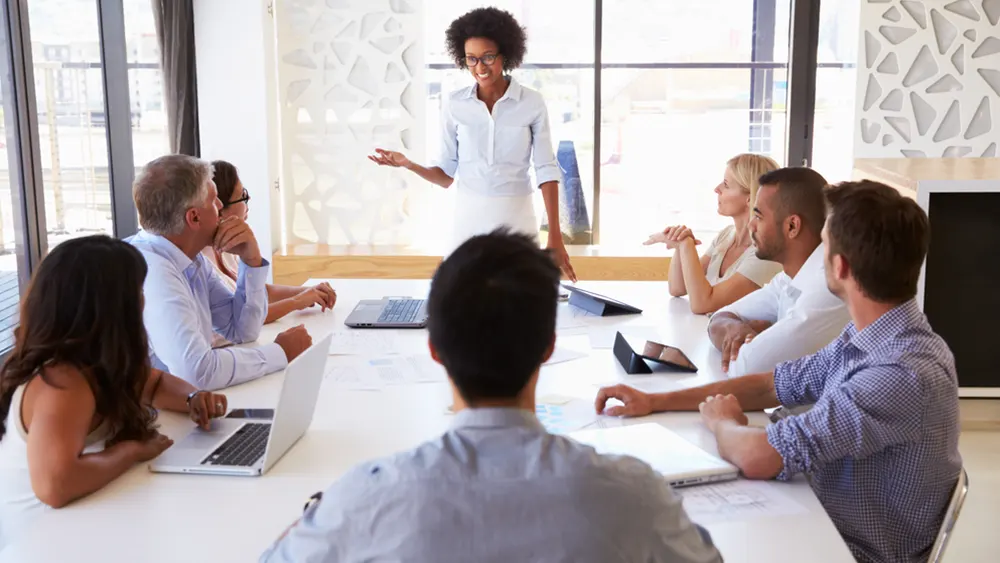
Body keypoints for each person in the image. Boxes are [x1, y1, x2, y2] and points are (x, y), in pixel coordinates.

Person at [260, 229, 721, 563]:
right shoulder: (633, 494)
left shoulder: (367, 498)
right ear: (547, 347)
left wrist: (325, 514)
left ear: (435, 350)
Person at [595, 181, 962, 563]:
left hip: (847, 549)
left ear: (840, 266)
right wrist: (655, 401)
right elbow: (773, 384)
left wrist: (724, 423)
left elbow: (760, 456)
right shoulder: (874, 335)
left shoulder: (899, 373)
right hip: (820, 515)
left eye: (824, 245)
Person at [0, 236, 228, 545]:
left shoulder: (96, 363)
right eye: (137, 291)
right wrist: (130, 451)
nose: (143, 301)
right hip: (42, 543)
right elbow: (55, 486)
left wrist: (192, 398)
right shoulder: (63, 383)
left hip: (81, 526)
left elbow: (154, 384)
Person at [368, 7, 577, 282]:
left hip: (517, 212)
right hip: (469, 214)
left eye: (488, 57)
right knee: (461, 292)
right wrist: (408, 164)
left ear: (505, 55)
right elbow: (445, 177)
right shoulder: (455, 104)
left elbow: (546, 170)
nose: (480, 67)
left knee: (517, 294)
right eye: (472, 59)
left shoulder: (532, 103)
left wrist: (555, 236)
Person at [129, 155, 313, 390]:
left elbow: (242, 330)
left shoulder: (189, 258)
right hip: (154, 419)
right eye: (214, 200)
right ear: (194, 217)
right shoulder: (153, 271)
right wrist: (280, 352)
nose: (220, 209)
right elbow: (197, 372)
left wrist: (251, 260)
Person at [707, 167, 850, 377]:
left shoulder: (827, 286)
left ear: (792, 226)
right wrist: (735, 330)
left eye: (759, 217)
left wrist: (749, 343)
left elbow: (745, 369)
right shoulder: (789, 276)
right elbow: (719, 317)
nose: (751, 226)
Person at [645, 153, 783, 314]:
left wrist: (687, 245)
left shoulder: (766, 255)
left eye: (726, 184)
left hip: (738, 338)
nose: (717, 189)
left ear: (750, 198)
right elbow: (678, 288)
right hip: (706, 332)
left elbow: (703, 304)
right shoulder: (726, 235)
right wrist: (681, 242)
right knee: (653, 340)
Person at [208, 160, 336, 324]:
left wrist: (308, 291)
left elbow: (260, 292)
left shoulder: (228, 248)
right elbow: (243, 317)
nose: (248, 200)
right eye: (242, 196)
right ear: (219, 209)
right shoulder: (202, 262)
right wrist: (296, 302)